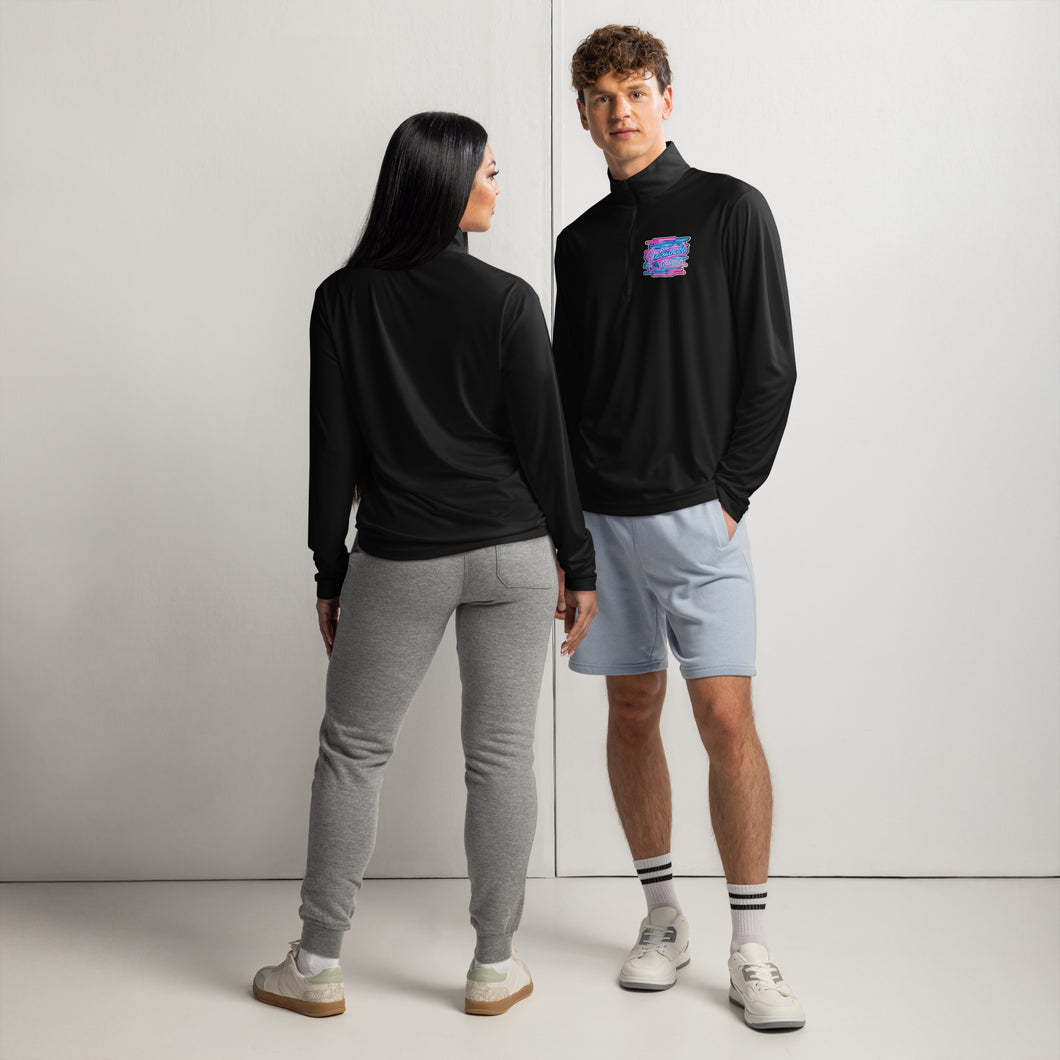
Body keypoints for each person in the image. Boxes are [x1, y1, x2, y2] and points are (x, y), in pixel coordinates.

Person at [253, 112, 597, 1019]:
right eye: (488, 171)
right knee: (503, 756)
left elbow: (334, 449)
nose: (497, 186)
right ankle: (494, 967)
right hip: (516, 556)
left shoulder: (343, 298)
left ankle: (317, 965)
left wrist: (329, 571)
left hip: (402, 558)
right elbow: (547, 447)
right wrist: (578, 563)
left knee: (353, 752)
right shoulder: (509, 300)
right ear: (444, 182)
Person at [552, 25, 805, 1031]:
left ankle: (751, 946)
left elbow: (772, 366)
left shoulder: (729, 209)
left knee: (726, 720)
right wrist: (566, 533)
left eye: (636, 90)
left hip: (704, 520)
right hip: (601, 525)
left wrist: (729, 494)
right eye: (601, 96)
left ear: (667, 98)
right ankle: (662, 916)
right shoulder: (580, 242)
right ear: (583, 115)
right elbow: (565, 393)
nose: (620, 109)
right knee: (630, 710)